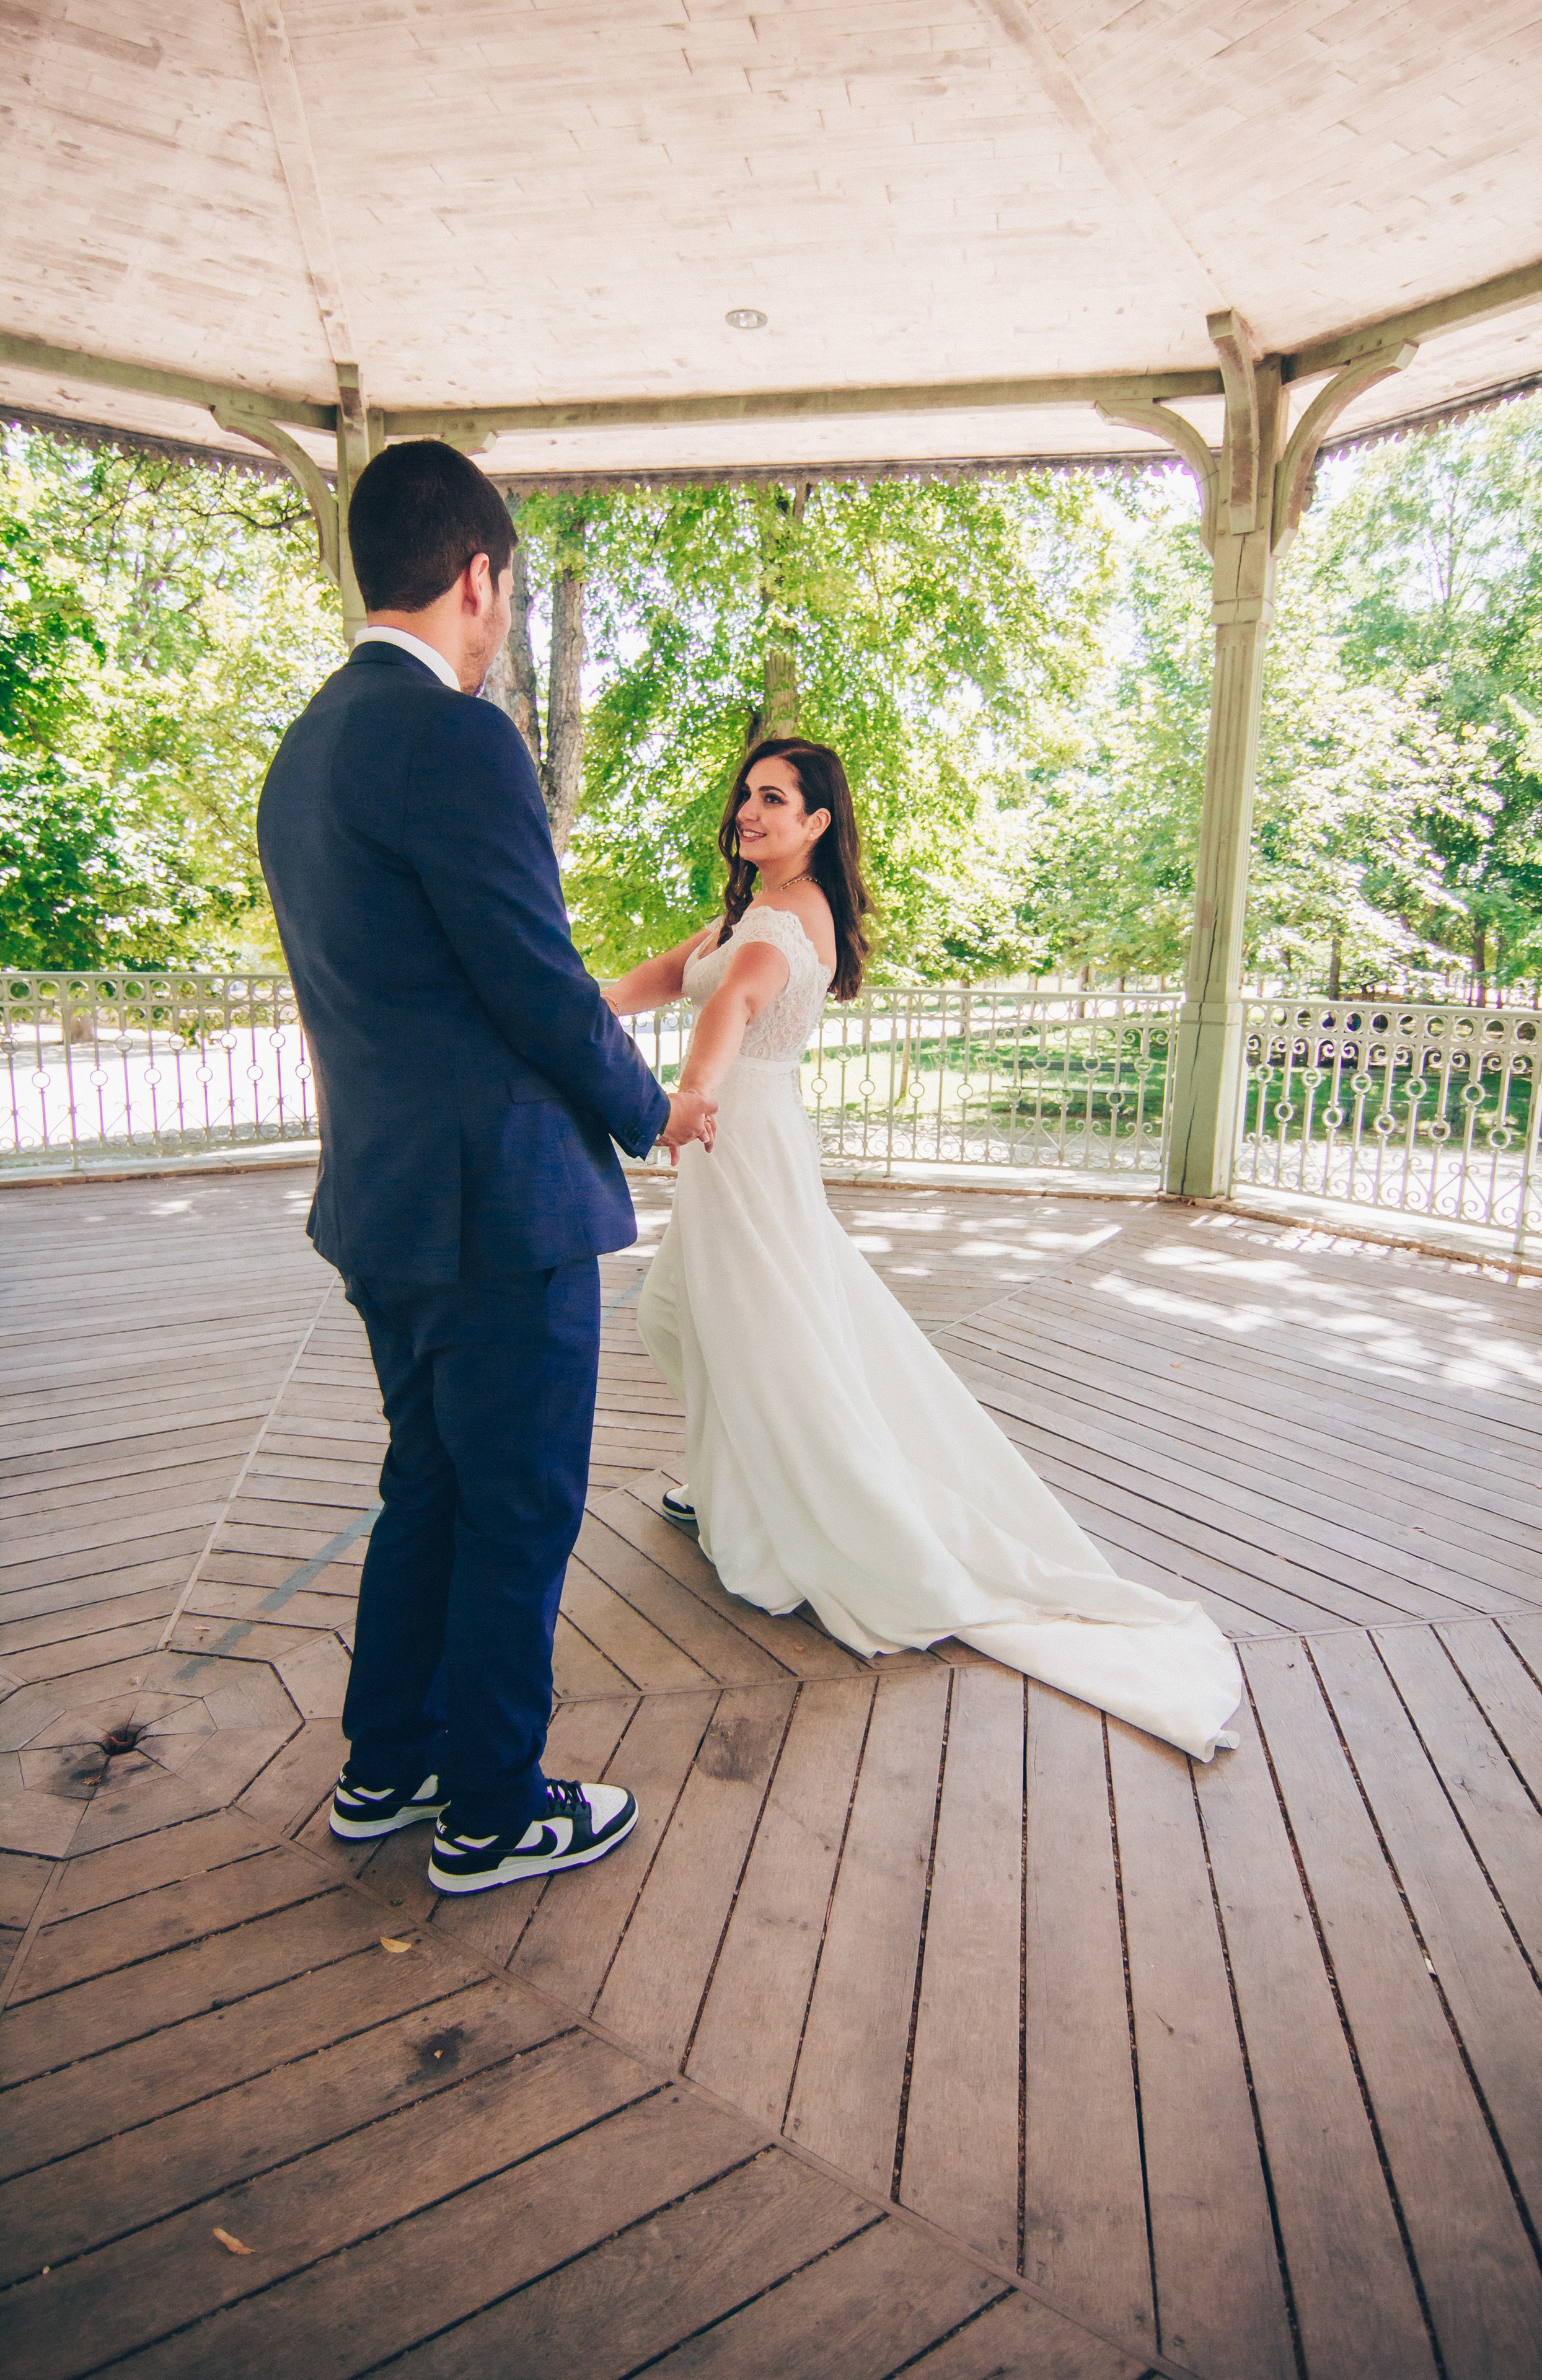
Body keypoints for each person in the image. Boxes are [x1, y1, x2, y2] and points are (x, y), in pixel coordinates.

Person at [257, 441, 716, 1897]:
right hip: (494, 1212)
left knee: (432, 1490)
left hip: (383, 1205)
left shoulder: (306, 746)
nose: (503, 614)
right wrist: (648, 1111)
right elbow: (534, 981)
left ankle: (385, 1768)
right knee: (518, 1506)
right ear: (477, 576)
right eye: (507, 590)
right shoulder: (454, 735)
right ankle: (493, 1811)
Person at [603, 738, 1241, 1762]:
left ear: (818, 824)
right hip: (739, 1142)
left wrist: (692, 1100)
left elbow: (731, 1003)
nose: (752, 810)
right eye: (746, 795)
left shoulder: (783, 919)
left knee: (754, 1333)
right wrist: (586, 1009)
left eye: (777, 799)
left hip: (740, 1133)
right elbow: (682, 971)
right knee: (685, 1316)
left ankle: (793, 1503)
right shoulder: (747, 909)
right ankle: (730, 1476)